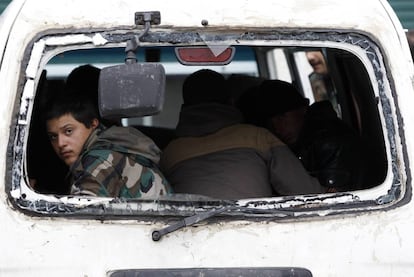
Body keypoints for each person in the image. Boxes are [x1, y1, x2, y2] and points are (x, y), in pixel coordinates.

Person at [160, 69, 325, 199]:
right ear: (232, 102)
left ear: (184, 108)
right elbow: (308, 193)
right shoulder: (258, 137)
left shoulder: (168, 153)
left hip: (187, 237)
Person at [44, 92, 172, 198]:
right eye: (53, 136)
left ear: (93, 124)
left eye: (68, 131)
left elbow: (80, 218)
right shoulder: (116, 146)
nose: (60, 143)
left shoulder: (99, 159)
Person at [254, 79, 364, 191]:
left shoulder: (329, 142)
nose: (277, 128)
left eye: (282, 116)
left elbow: (332, 200)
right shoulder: (296, 142)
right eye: (270, 123)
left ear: (303, 109)